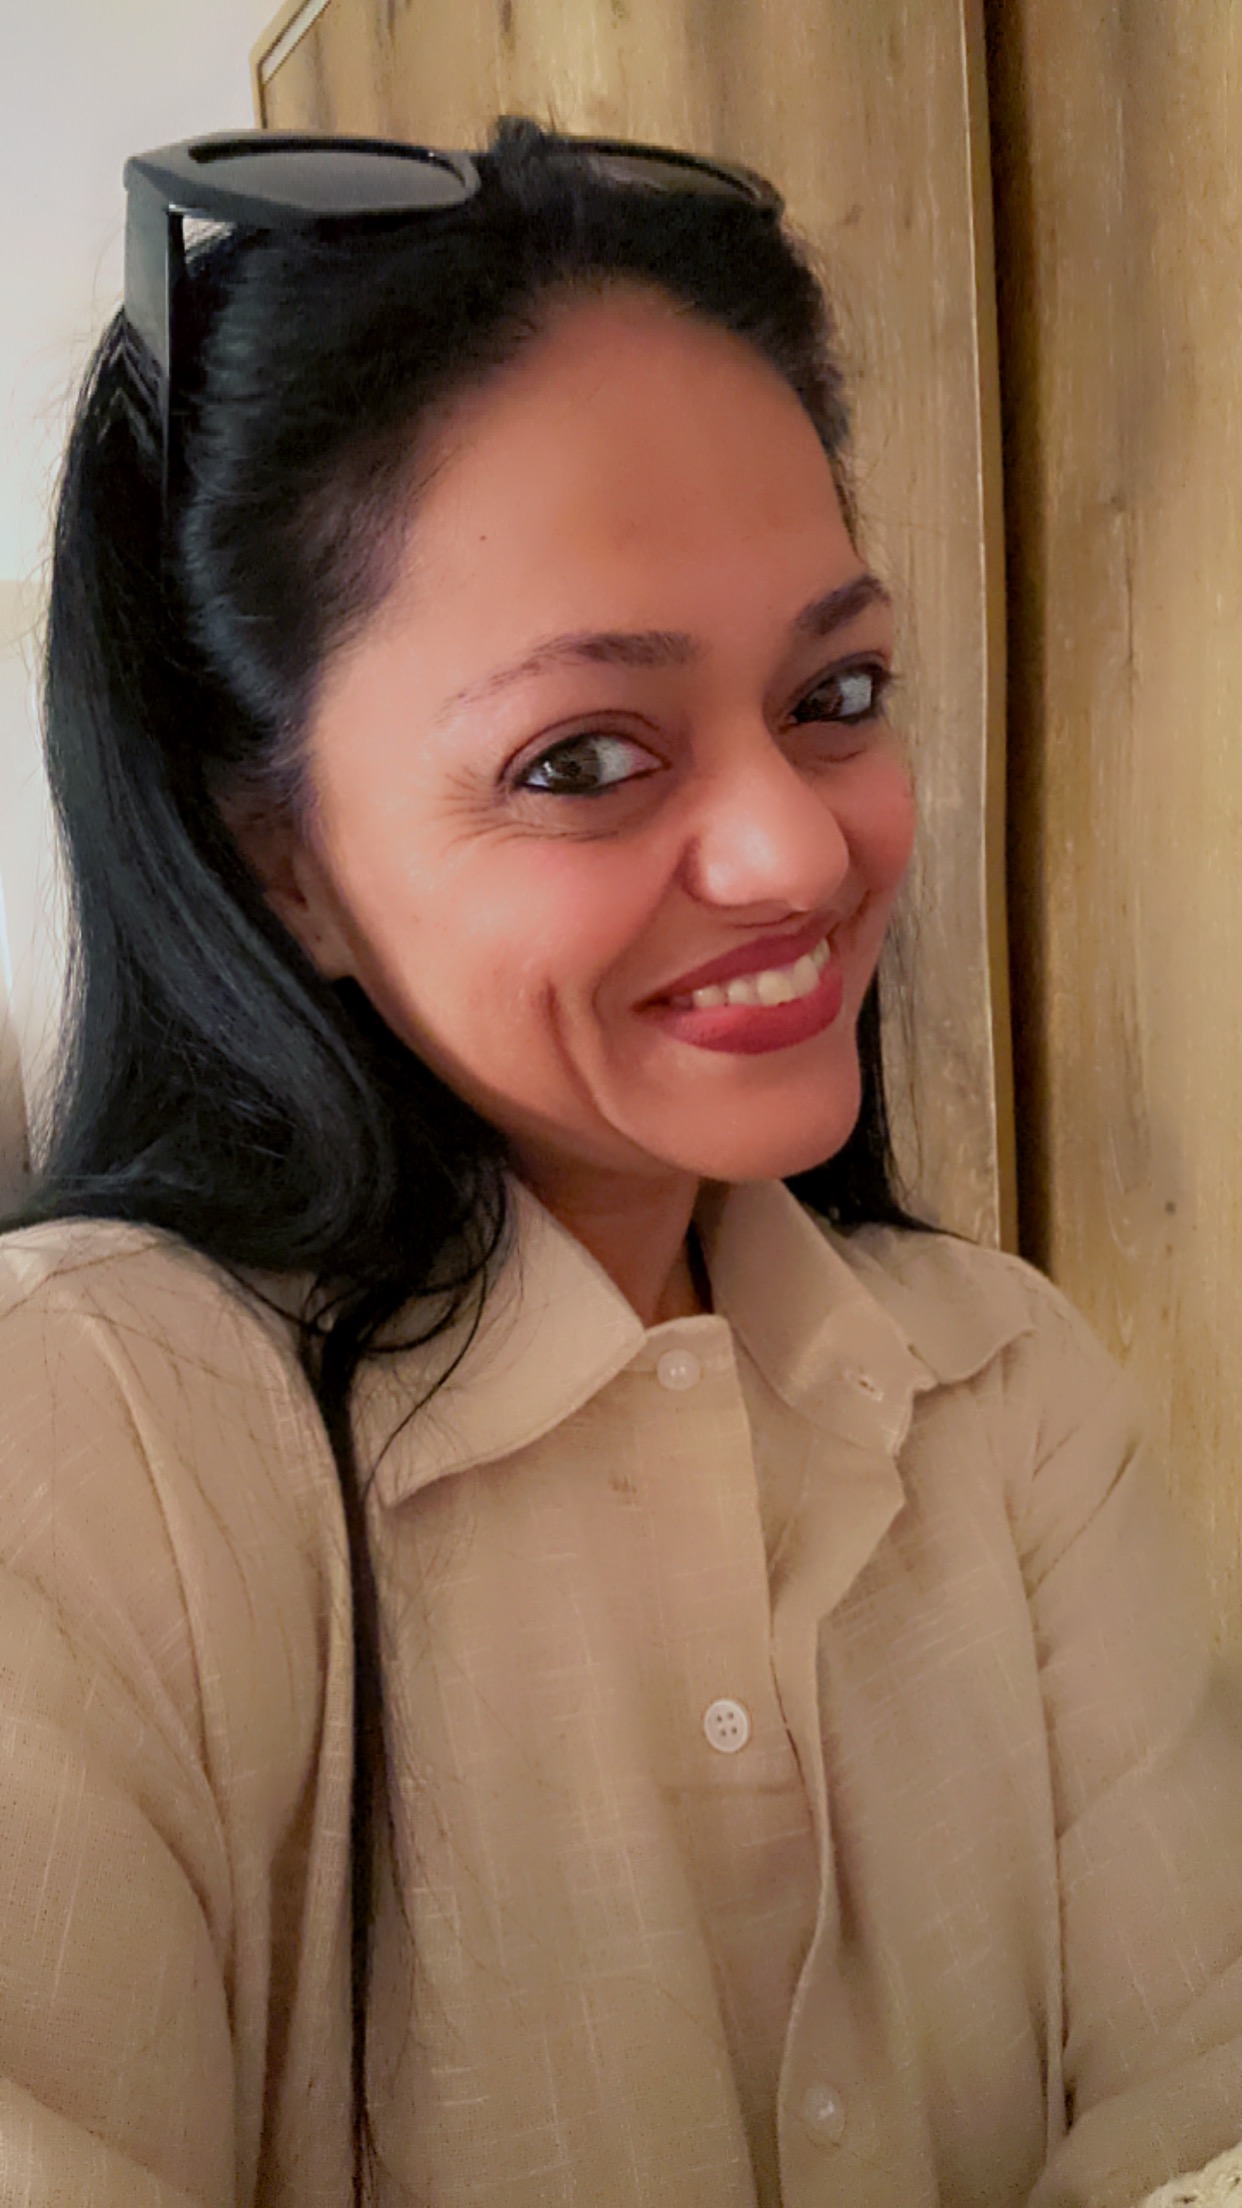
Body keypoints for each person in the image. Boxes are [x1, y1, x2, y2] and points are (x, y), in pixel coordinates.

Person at [0, 114, 1239, 2208]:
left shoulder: (1004, 1392)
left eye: (836, 690)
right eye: (581, 757)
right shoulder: (79, 1446)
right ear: (277, 855)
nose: (799, 850)